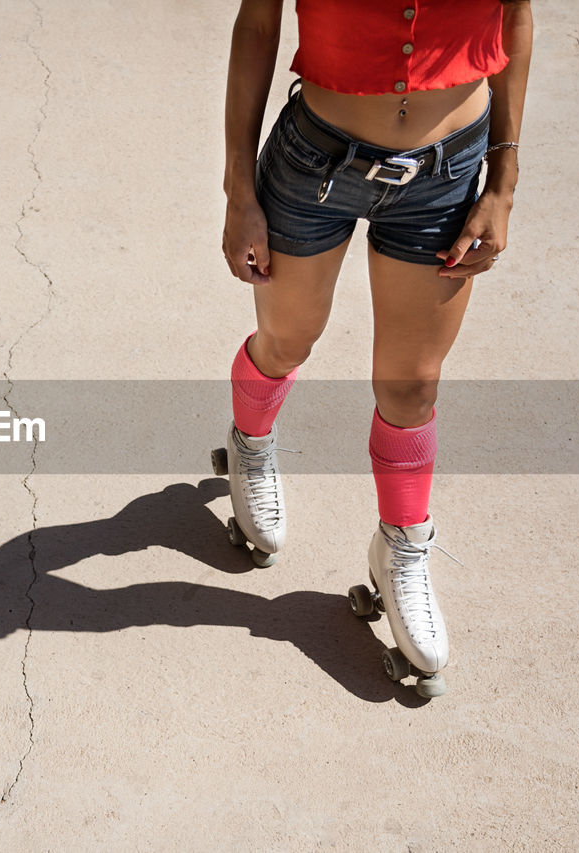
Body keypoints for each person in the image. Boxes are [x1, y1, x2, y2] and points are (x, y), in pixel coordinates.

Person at [218, 0, 533, 696]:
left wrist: (503, 182)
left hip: (448, 171)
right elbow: (259, 21)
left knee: (412, 384)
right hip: (315, 162)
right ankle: (250, 441)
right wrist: (239, 185)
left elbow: (514, 16)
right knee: (287, 338)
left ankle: (401, 547)